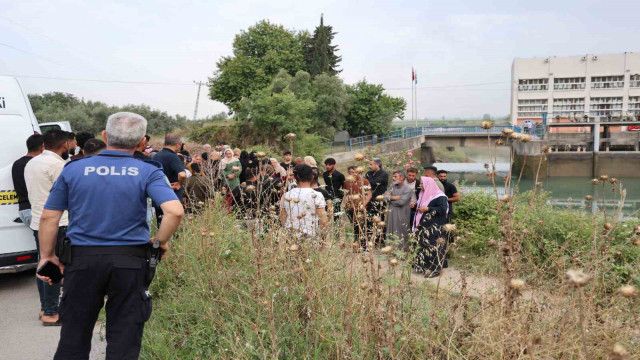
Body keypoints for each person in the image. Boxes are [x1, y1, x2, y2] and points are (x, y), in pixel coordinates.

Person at [37, 112, 183, 359]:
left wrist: (48, 256)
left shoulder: (74, 169)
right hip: (130, 262)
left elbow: (49, 217)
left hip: (81, 262)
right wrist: (161, 241)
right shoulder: (148, 170)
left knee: (74, 336)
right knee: (125, 337)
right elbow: (174, 211)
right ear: (141, 143)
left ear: (105, 136)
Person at [24, 130, 71, 325]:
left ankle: (45, 308)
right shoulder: (58, 165)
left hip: (38, 222)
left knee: (43, 263)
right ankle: (52, 313)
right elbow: (69, 195)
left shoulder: (32, 162)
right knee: (55, 266)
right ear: (65, 144)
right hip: (57, 223)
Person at [413, 177, 449, 278]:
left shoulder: (440, 196)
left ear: (429, 184)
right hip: (425, 225)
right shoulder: (426, 194)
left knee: (434, 246)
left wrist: (428, 208)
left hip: (435, 225)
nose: (420, 185)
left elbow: (443, 209)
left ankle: (435, 269)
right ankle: (424, 266)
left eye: (422, 184)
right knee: (424, 245)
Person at [279, 164, 328, 238]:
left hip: (290, 234)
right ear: (312, 177)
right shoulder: (317, 195)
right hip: (310, 234)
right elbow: (323, 220)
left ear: (295, 178)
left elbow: (283, 218)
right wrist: (324, 239)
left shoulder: (286, 195)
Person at [12, 134, 44, 229]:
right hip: (34, 210)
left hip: (24, 209)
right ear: (43, 147)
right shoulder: (35, 164)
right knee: (48, 243)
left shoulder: (17, 163)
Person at [343, 166, 372, 248]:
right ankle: (356, 245)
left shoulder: (364, 181)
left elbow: (369, 194)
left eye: (356, 172)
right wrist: (345, 204)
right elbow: (345, 193)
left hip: (360, 207)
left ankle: (364, 246)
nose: (355, 174)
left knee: (362, 226)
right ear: (348, 173)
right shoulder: (346, 182)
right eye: (352, 172)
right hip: (350, 208)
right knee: (355, 226)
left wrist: (364, 205)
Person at [385, 171, 413, 250]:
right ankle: (390, 249)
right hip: (391, 212)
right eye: (393, 176)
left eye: (395, 176)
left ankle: (402, 250)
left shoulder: (408, 188)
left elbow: (401, 202)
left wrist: (390, 198)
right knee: (390, 229)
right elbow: (384, 196)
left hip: (402, 212)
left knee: (401, 230)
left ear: (401, 178)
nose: (393, 178)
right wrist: (395, 197)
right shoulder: (392, 186)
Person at [365, 158, 389, 246]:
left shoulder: (383, 174)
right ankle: (371, 238)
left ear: (377, 165)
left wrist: (367, 181)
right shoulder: (369, 173)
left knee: (379, 219)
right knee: (369, 219)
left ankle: (380, 240)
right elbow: (365, 182)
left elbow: (372, 182)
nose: (369, 166)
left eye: (371, 164)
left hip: (379, 200)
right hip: (369, 199)